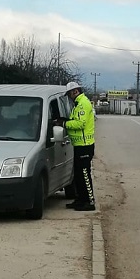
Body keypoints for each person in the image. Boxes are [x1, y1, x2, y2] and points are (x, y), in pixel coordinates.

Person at [57, 81, 96, 211]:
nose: (69, 97)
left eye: (69, 94)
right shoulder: (78, 104)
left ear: (75, 91)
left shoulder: (83, 104)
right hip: (79, 145)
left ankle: (89, 201)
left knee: (84, 174)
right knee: (78, 174)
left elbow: (80, 124)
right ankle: (80, 199)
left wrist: (64, 124)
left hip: (85, 145)